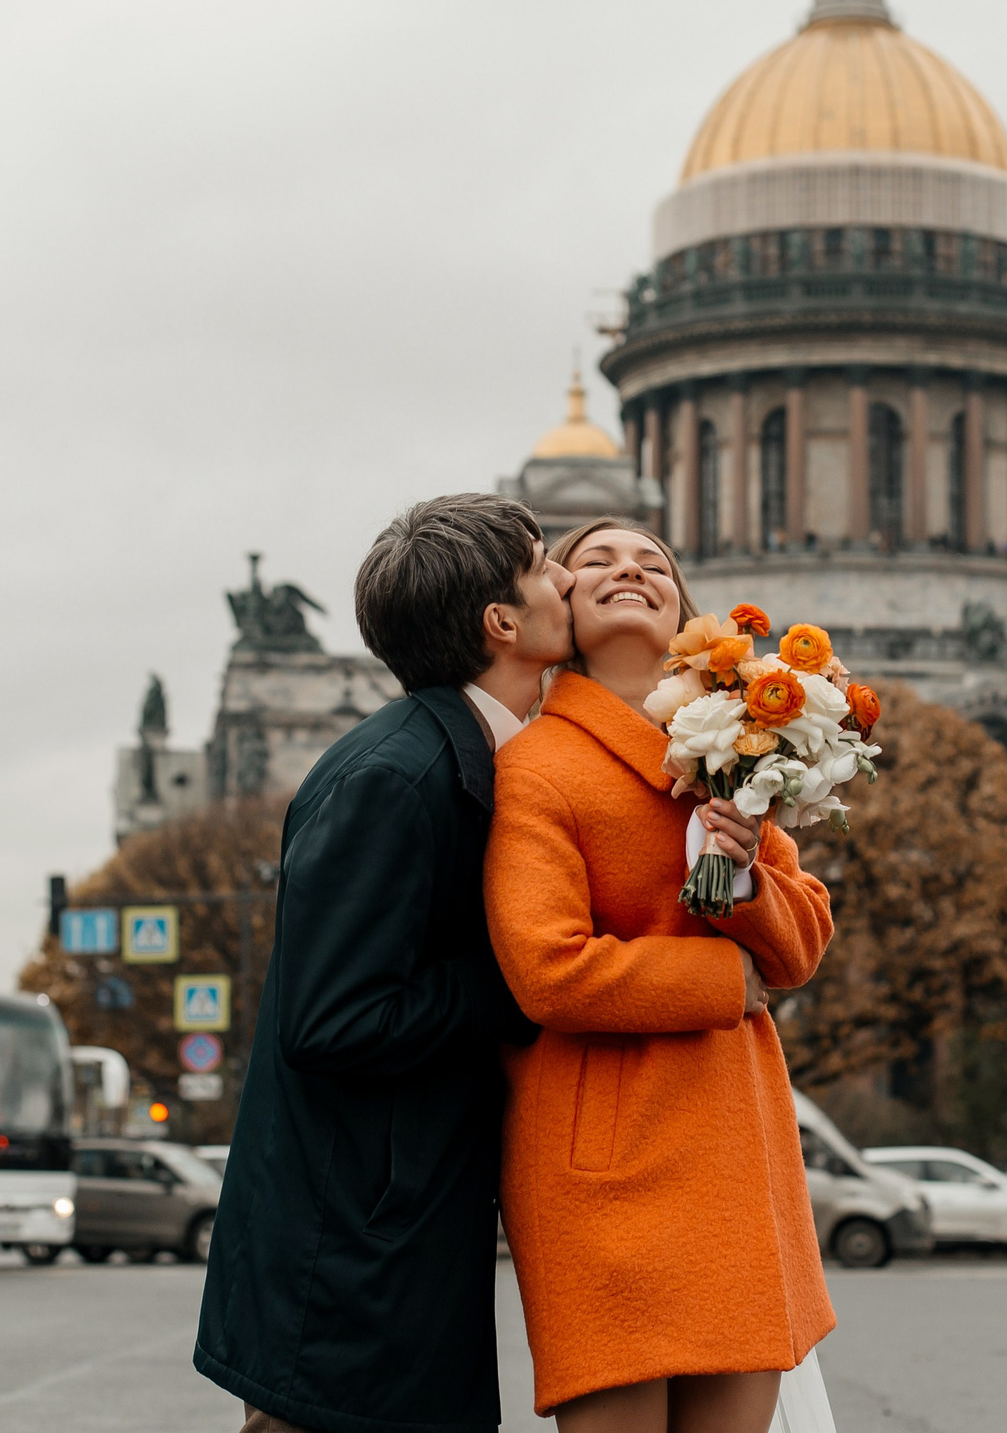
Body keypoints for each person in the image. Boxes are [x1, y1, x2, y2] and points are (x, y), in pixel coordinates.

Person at [195, 493, 575, 1433]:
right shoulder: (392, 778)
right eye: (543, 564)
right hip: (352, 1248)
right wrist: (526, 980)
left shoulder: (459, 756)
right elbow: (333, 1019)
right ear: (502, 621)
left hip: (391, 1224)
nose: (569, 576)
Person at [485, 516, 837, 1433]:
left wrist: (745, 871)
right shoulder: (534, 767)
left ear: (683, 606)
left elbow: (799, 947)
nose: (627, 570)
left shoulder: (739, 757)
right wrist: (724, 981)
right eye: (593, 560)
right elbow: (548, 972)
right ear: (554, 600)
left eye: (652, 561)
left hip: (734, 1155)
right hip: (607, 1161)